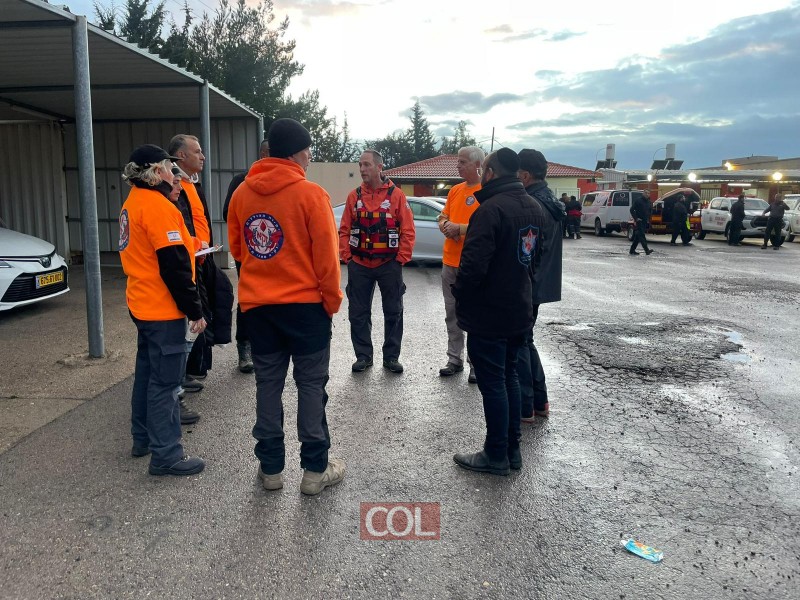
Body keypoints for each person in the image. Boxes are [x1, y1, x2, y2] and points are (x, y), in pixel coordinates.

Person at [227, 118, 345, 495]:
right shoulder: (311, 195)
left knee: (268, 385)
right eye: (308, 150)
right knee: (310, 386)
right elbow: (326, 257)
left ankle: (271, 469)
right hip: (305, 308)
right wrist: (331, 300)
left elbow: (239, 249)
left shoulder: (242, 194)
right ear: (296, 153)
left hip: (259, 308)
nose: (310, 157)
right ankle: (314, 470)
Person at [452, 148, 546, 476]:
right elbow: (535, 260)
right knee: (509, 377)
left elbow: (472, 267)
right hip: (519, 308)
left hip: (490, 313)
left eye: (484, 170)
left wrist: (460, 295)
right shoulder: (533, 206)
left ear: (490, 173)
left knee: (493, 383)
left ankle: (495, 454)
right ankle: (512, 450)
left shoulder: (490, 210)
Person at [118, 144, 206, 476]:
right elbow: (174, 266)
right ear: (157, 172)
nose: (174, 174)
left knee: (147, 374)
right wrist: (194, 310)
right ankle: (166, 455)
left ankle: (142, 438)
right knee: (166, 383)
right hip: (162, 308)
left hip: (142, 303)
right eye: (170, 168)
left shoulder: (133, 202)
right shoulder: (158, 207)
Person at [338, 150, 416, 374]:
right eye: (360, 165)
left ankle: (391, 357)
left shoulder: (396, 195)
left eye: (366, 165)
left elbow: (408, 230)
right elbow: (344, 230)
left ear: (379, 167)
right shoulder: (354, 196)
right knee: (358, 313)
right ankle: (363, 356)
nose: (362, 169)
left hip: (389, 264)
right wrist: (348, 258)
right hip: (359, 264)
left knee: (394, 311)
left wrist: (400, 259)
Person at [516, 149, 564, 423]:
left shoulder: (533, 204)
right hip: (540, 283)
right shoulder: (549, 199)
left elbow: (526, 252)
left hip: (528, 285)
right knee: (526, 341)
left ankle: (526, 405)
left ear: (525, 175)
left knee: (519, 344)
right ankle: (539, 400)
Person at [436, 146, 484, 382]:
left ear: (478, 165)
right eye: (458, 161)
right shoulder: (455, 190)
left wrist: (460, 229)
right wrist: (445, 225)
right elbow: (443, 216)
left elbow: (486, 225)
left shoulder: (486, 191)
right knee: (451, 313)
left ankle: (476, 363)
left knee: (475, 315)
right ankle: (454, 359)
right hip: (450, 262)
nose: (458, 165)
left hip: (472, 264)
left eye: (463, 162)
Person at [222, 139, 270, 374]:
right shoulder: (242, 181)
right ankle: (245, 347)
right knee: (249, 300)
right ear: (262, 153)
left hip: (275, 254)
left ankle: (269, 348)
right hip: (250, 254)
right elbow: (228, 214)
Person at [629, 190, 654, 255]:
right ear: (643, 193)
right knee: (642, 235)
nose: (647, 194)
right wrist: (636, 218)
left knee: (638, 236)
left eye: (648, 193)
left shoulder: (649, 202)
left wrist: (649, 219)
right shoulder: (638, 200)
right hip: (639, 221)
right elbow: (631, 210)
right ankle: (646, 250)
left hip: (645, 221)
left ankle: (632, 250)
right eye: (646, 193)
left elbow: (650, 211)